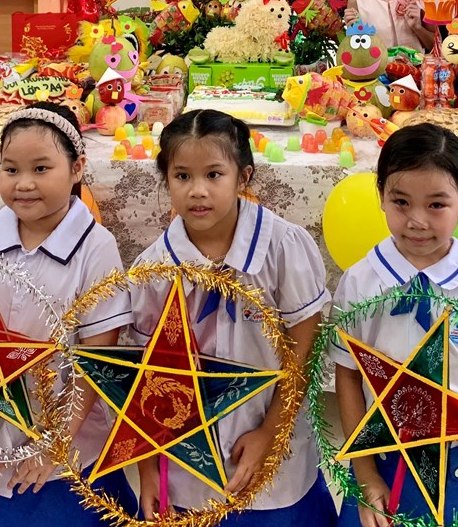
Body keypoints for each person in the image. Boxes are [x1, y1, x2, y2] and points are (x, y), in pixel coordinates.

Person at [0, 103, 138, 524]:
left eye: (41, 169)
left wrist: (55, 442)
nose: (23, 184)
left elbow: (96, 361)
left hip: (65, 441)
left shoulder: (95, 248)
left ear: (77, 168)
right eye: (11, 169)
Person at [130, 109, 337, 525]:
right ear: (166, 179)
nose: (198, 191)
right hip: (185, 464)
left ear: (243, 177)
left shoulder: (283, 247)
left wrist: (270, 433)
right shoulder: (152, 270)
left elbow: (305, 347)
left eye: (214, 175)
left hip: (274, 449)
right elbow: (140, 376)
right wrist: (148, 468)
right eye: (182, 176)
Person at [333, 124, 458, 527]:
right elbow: (348, 377)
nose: (417, 221)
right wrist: (366, 477)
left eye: (436, 204)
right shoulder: (360, 281)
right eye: (401, 202)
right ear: (381, 196)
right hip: (382, 459)